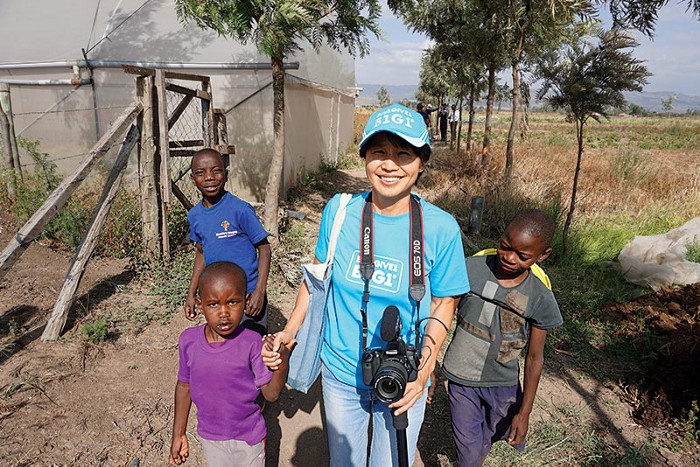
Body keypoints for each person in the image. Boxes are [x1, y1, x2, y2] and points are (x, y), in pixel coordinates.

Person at [263, 103, 470, 466]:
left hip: (404, 377)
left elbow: (444, 304)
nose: (389, 164)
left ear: (421, 163)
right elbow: (316, 278)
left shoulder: (440, 228)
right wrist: (290, 330)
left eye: (403, 154)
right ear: (364, 158)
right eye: (379, 152)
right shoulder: (340, 212)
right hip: (341, 371)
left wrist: (423, 371)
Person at [441, 209, 563, 466]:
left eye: (522, 255)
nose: (508, 258)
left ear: (543, 256)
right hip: (461, 377)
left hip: (502, 384)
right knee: (468, 449)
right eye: (505, 247)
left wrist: (525, 411)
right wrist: (430, 365)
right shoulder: (471, 269)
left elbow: (534, 357)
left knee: (493, 434)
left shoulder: (539, 296)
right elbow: (443, 315)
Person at [169, 261, 292, 466]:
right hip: (211, 437)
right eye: (214, 304)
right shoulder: (188, 341)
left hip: (249, 438)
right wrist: (178, 433)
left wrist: (281, 363)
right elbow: (184, 386)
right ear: (200, 305)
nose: (224, 312)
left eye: (233, 302)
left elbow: (271, 394)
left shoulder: (252, 342)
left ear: (245, 302)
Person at [184, 148, 271, 335]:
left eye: (216, 170)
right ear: (193, 179)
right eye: (201, 173)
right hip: (218, 299)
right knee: (226, 349)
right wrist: (191, 293)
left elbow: (264, 248)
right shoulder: (195, 216)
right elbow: (201, 252)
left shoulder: (240, 210)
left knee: (254, 347)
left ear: (226, 175)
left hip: (246, 297)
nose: (209, 177)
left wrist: (259, 292)